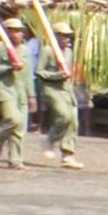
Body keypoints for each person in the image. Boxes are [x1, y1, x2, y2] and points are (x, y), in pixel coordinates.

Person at [0, 18, 35, 170]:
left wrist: (31, 95)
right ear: (7, 32)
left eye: (20, 31)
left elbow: (28, 74)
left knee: (21, 127)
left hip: (21, 91)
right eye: (13, 30)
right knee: (13, 119)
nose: (17, 34)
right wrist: (9, 67)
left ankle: (15, 160)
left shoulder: (25, 49)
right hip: (5, 89)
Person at [36, 21, 83, 169]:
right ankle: (50, 141)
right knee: (64, 115)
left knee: (73, 121)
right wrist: (57, 75)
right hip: (51, 89)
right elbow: (39, 71)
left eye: (69, 36)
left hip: (66, 89)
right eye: (64, 36)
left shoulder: (69, 52)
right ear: (56, 36)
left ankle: (68, 155)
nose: (67, 39)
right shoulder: (48, 50)